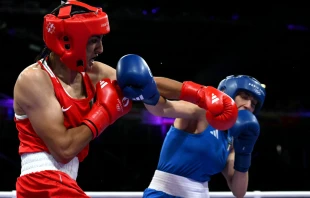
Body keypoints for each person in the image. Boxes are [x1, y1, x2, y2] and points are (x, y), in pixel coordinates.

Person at [13, 1, 133, 197]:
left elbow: (142, 82)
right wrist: (104, 112)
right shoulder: (34, 79)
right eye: (94, 40)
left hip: (62, 183)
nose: (100, 49)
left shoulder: (91, 73)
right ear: (69, 40)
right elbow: (64, 149)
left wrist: (195, 93)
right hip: (43, 183)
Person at [116, 55, 266, 198]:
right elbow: (161, 108)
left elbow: (238, 191)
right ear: (229, 94)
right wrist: (145, 86)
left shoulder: (233, 141)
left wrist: (245, 152)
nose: (248, 106)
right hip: (163, 194)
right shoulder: (201, 112)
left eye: (253, 104)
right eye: (245, 97)